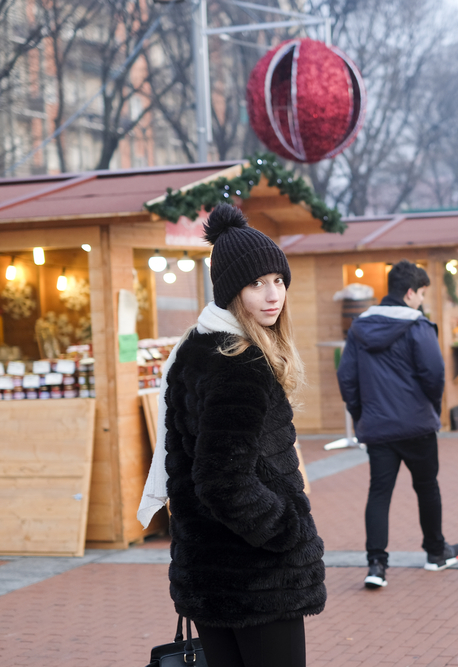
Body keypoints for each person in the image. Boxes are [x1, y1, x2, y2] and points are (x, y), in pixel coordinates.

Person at [148, 204, 325, 667]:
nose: (273, 295)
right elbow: (222, 480)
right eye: (256, 283)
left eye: (278, 281)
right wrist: (288, 530)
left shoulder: (195, 350)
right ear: (230, 291)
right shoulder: (239, 364)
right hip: (256, 577)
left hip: (210, 573)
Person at [337, 260, 458, 589]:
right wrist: (430, 407)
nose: (422, 300)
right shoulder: (417, 326)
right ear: (409, 293)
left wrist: (360, 413)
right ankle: (436, 552)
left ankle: (376, 566)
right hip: (417, 425)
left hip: (377, 426)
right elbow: (434, 375)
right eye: (421, 293)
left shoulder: (359, 327)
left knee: (379, 493)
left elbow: (347, 377)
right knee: (427, 488)